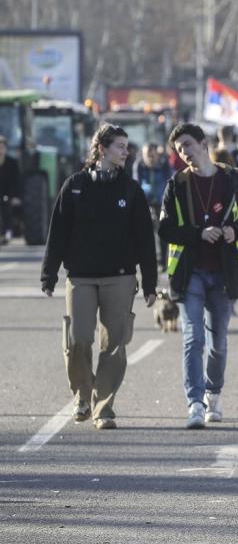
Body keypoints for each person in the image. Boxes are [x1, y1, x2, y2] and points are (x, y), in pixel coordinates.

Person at [40, 124, 157, 430]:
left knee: (115, 346)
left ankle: (103, 408)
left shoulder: (130, 190)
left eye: (127, 146)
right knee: (78, 339)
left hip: (120, 278)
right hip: (80, 277)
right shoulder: (75, 186)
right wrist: (48, 274)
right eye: (120, 146)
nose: (126, 152)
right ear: (102, 149)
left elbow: (145, 239)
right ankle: (81, 395)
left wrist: (150, 284)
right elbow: (58, 233)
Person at [158, 123, 238, 429]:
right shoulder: (177, 184)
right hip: (191, 274)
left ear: (203, 143)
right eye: (178, 149)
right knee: (193, 339)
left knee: (218, 342)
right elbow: (165, 228)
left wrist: (233, 230)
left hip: (223, 272)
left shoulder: (234, 180)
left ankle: (214, 395)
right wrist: (199, 233)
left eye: (187, 145)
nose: (184, 153)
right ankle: (195, 404)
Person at [0, 135, 21, 241]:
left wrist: (16, 197)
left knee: (6, 207)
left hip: (8, 194)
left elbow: (16, 181)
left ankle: (8, 231)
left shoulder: (12, 163)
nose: (0, 150)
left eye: (2, 147)